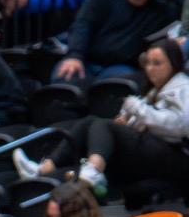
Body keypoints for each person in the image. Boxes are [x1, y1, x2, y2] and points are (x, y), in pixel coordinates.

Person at [25, 38, 189, 197]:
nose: (150, 68)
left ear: (173, 63)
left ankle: (94, 170)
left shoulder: (183, 87)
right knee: (89, 122)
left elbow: (178, 126)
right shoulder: (153, 90)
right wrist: (128, 123)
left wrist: (138, 109)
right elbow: (148, 121)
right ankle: (44, 169)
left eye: (157, 63)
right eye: (148, 63)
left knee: (104, 126)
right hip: (154, 149)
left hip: (177, 156)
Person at [53, 0, 184, 87]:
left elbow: (186, 13)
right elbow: (82, 24)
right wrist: (75, 56)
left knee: (119, 87)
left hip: (122, 68)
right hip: (87, 61)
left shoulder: (161, 6)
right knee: (65, 76)